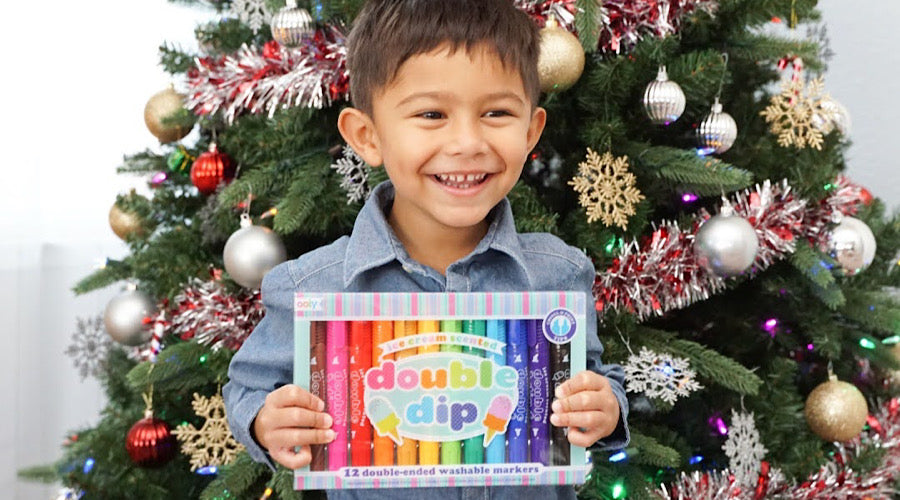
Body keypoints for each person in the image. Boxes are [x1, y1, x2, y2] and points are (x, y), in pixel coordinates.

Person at [224, 0, 629, 498]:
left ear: (531, 132)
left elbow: (595, 380)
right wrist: (268, 422)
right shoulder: (312, 288)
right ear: (367, 137)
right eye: (432, 113)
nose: (466, 142)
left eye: (497, 112)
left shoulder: (559, 274)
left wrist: (604, 406)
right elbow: (246, 389)